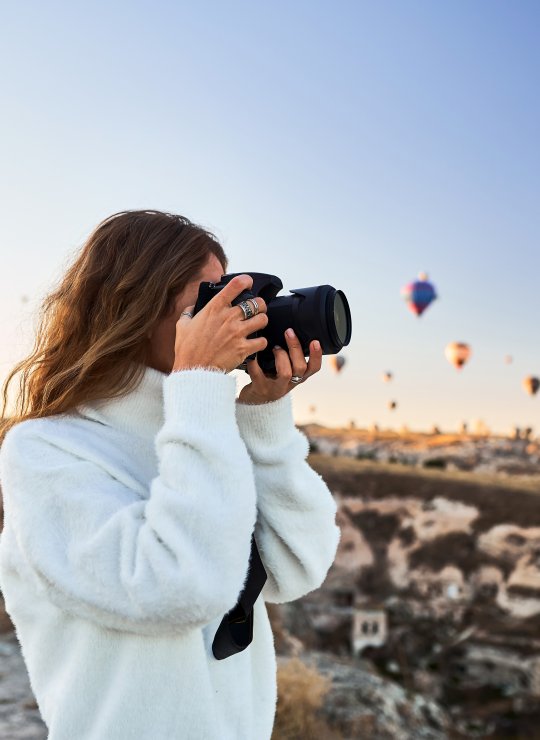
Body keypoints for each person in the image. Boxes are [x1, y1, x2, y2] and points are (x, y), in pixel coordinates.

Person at [0, 210, 341, 740]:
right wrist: (199, 381)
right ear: (131, 305)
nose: (237, 318)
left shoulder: (198, 433)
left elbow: (298, 566)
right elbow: (179, 588)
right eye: (212, 300)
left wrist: (260, 418)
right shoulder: (46, 450)